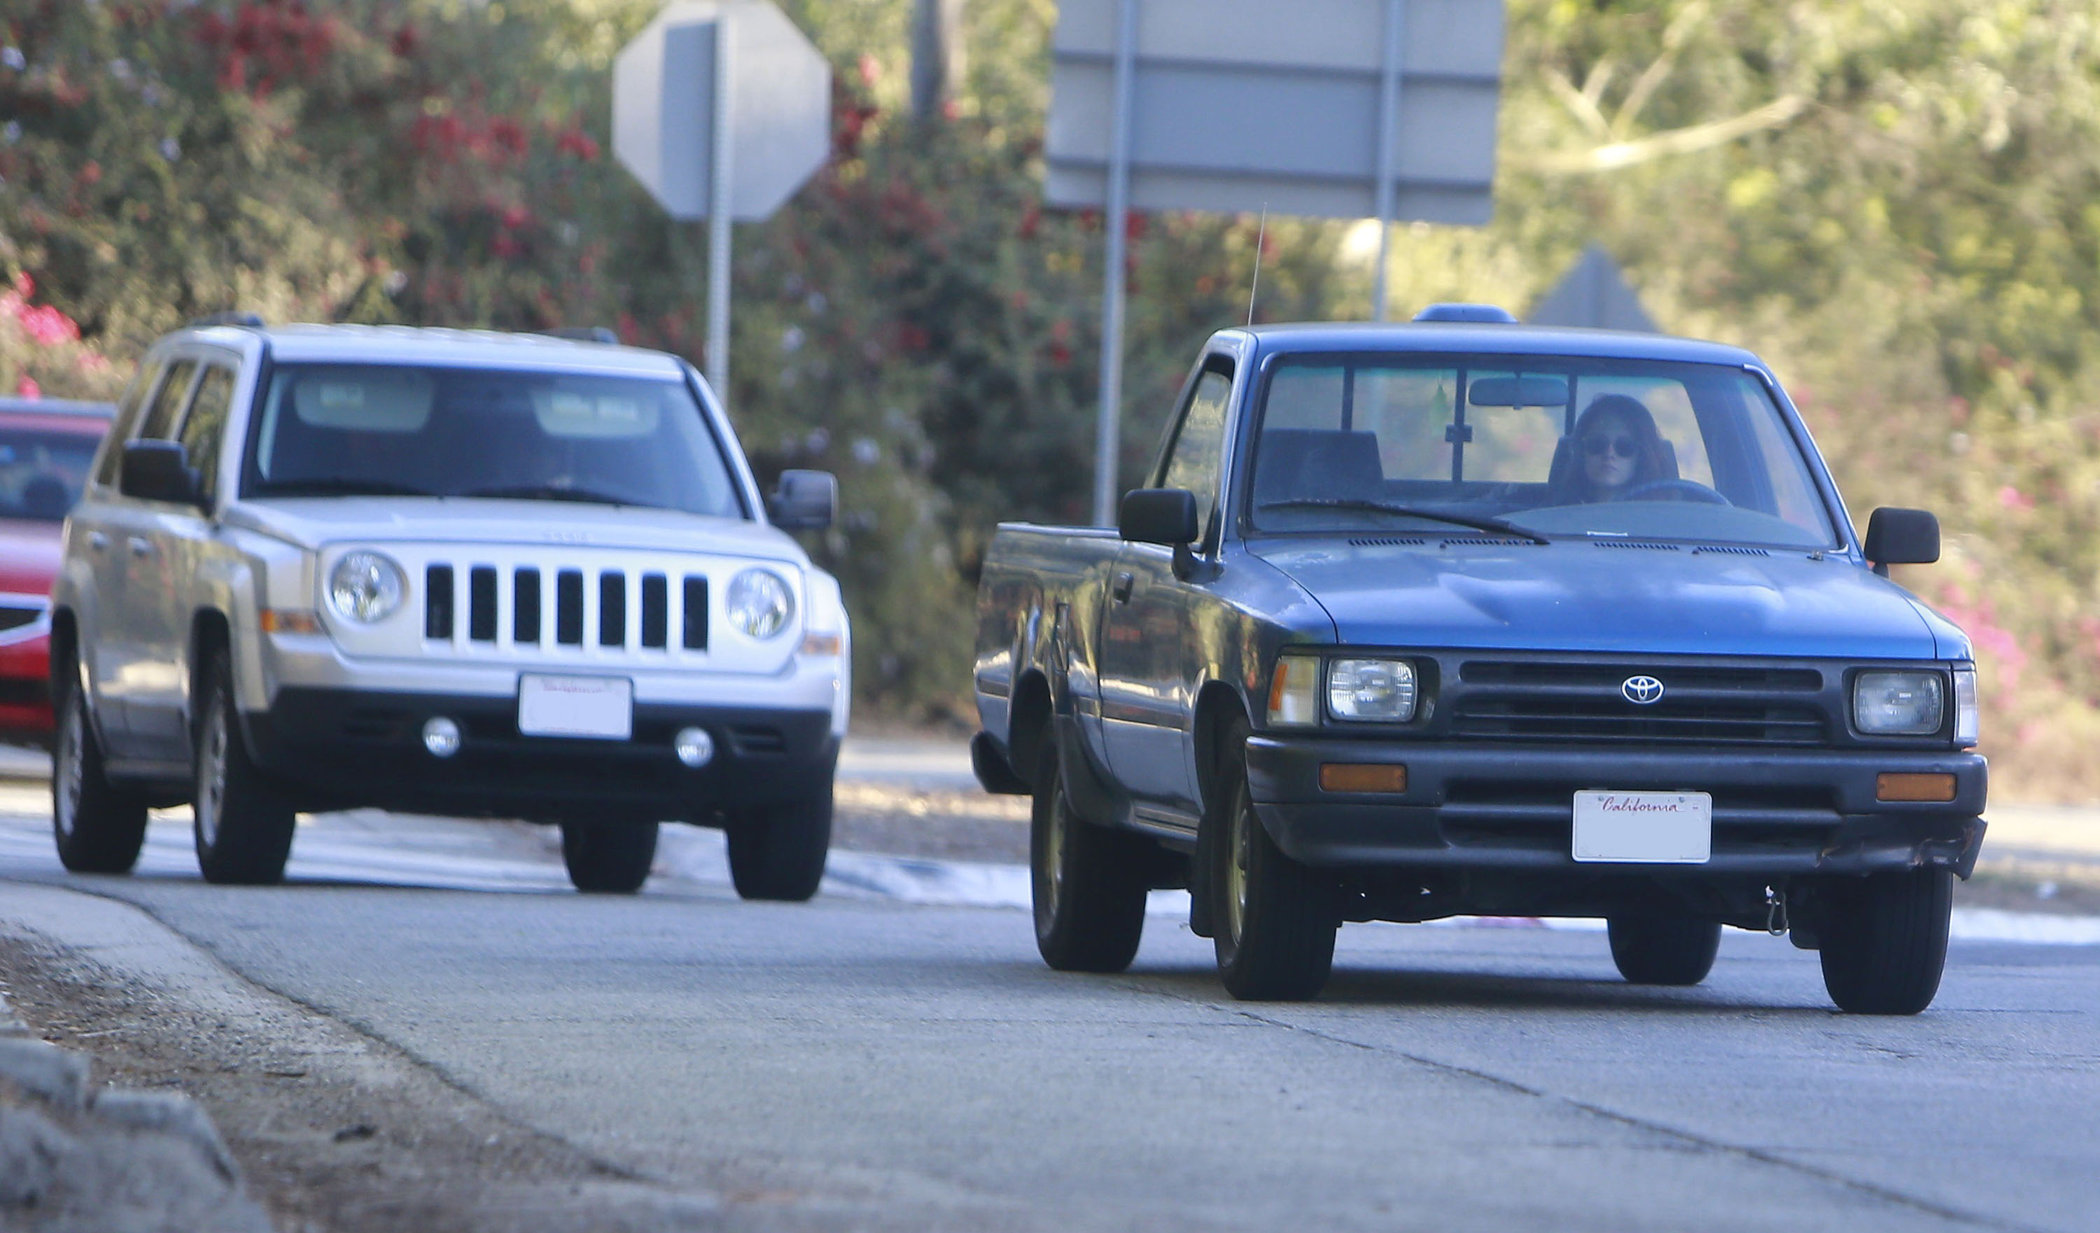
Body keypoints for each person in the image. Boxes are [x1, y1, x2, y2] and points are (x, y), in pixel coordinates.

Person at [1565, 394, 1673, 502]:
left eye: (1625, 446)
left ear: (1642, 456)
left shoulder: (1663, 511)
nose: (1609, 454)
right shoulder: (1558, 509)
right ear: (1580, 451)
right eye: (1597, 444)